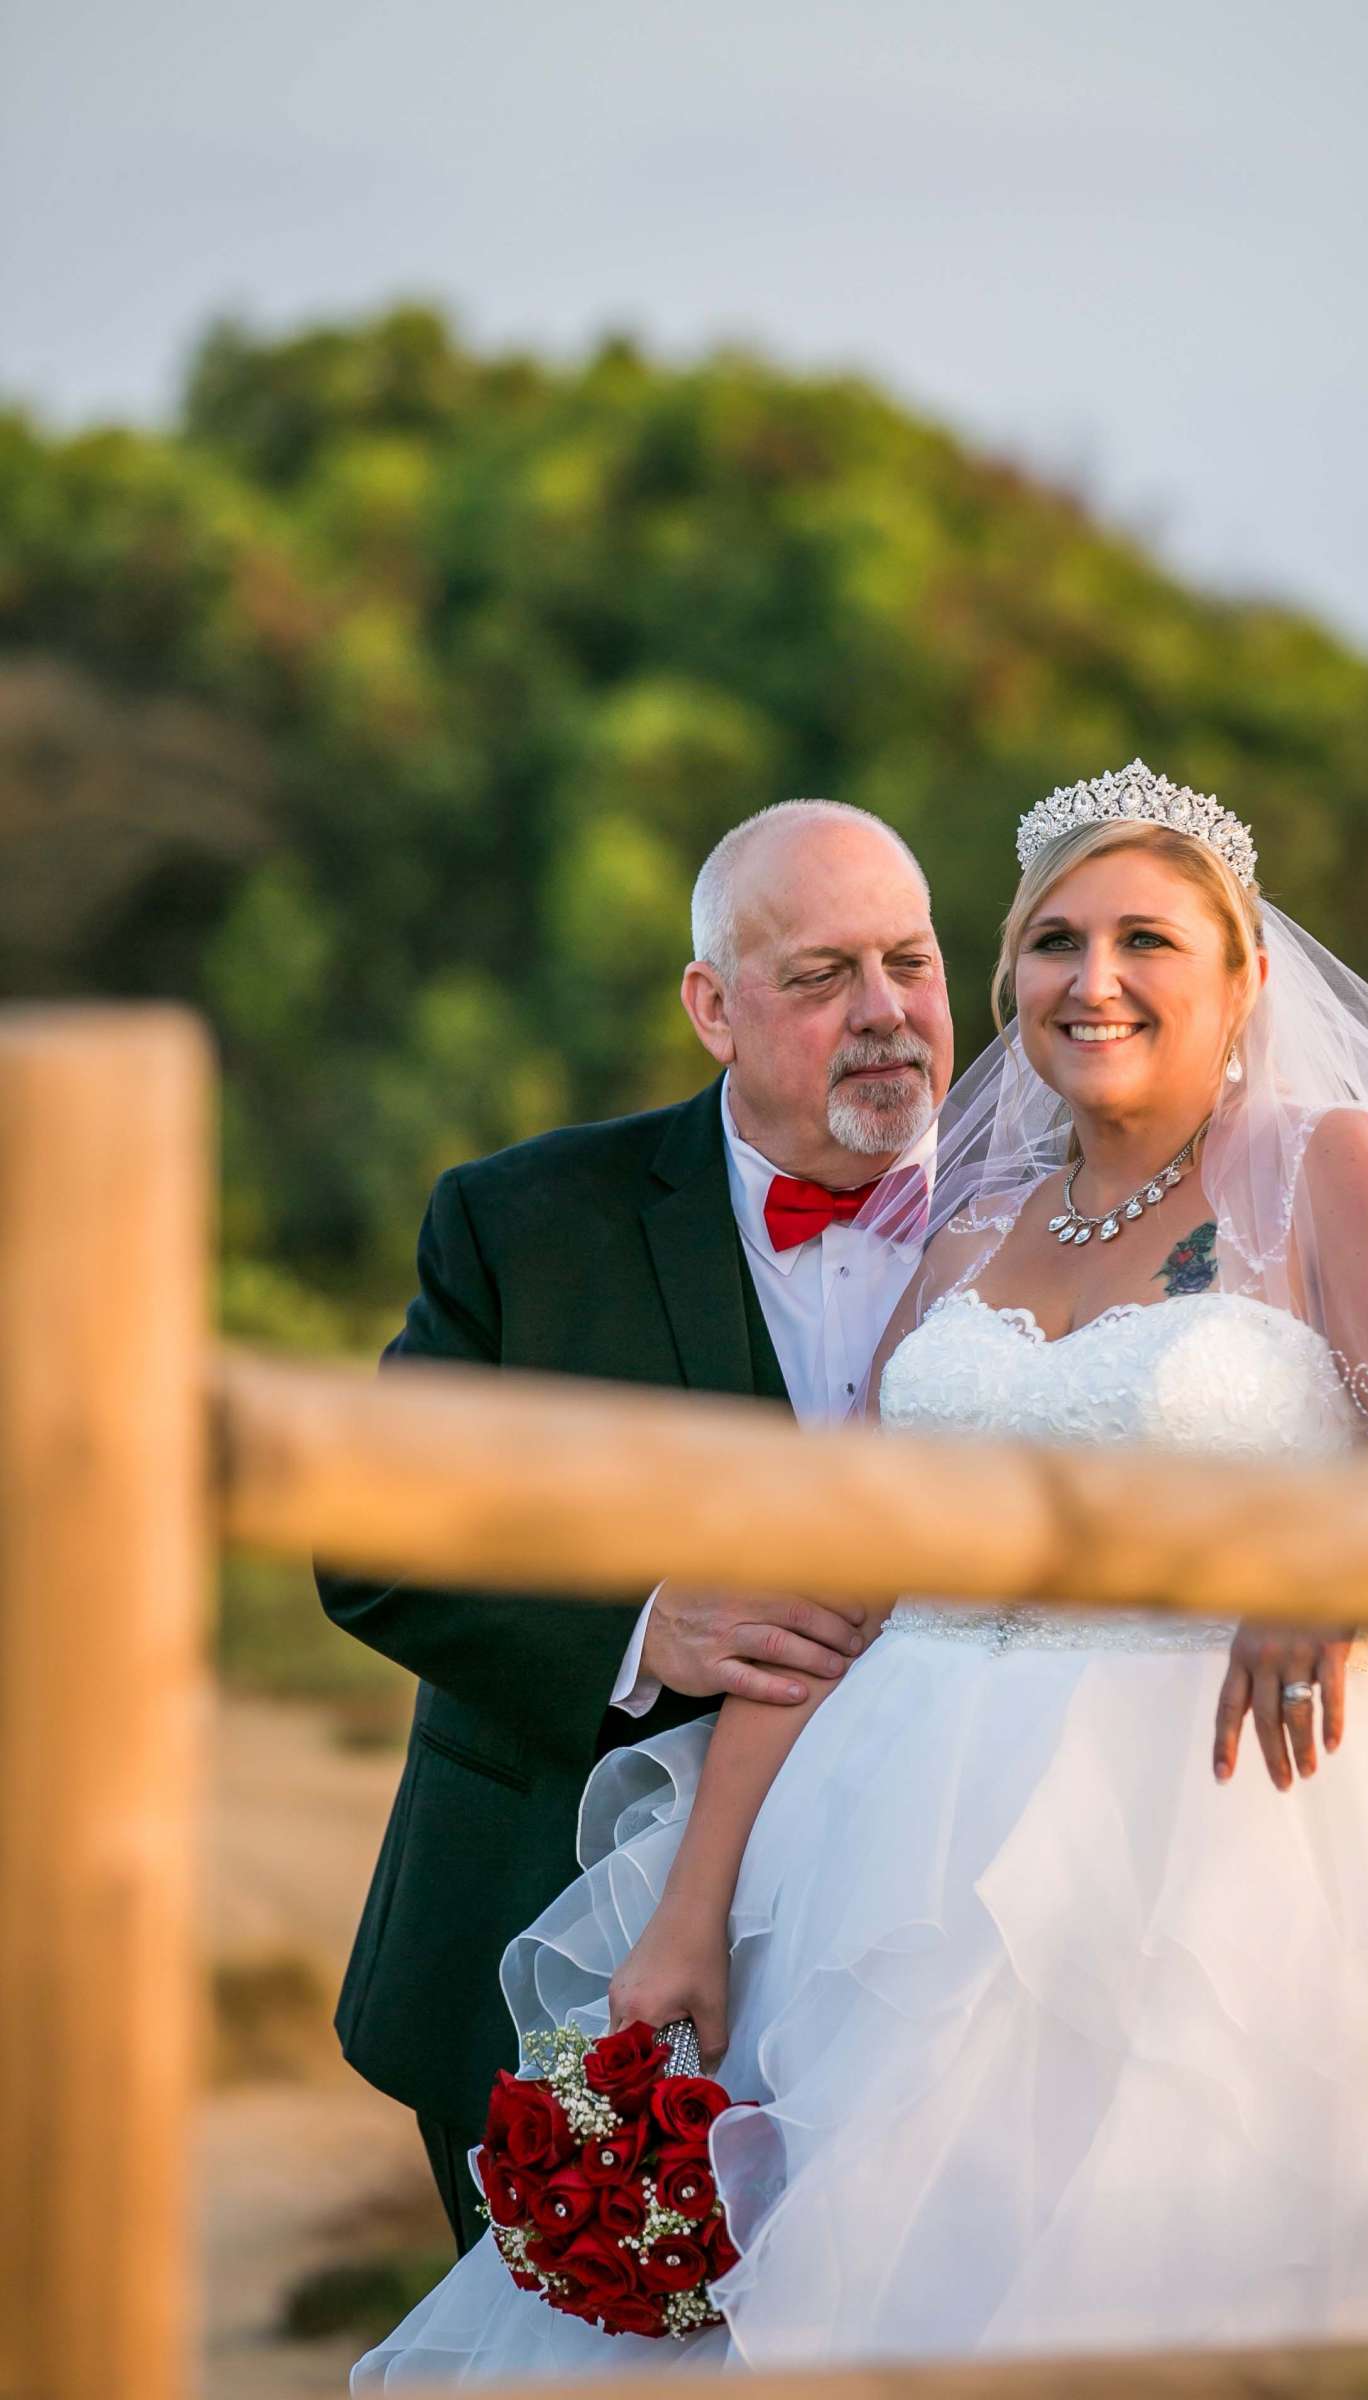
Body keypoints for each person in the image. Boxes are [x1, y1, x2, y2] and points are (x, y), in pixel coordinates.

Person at [352, 764, 1368, 2383]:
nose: (1094, 977)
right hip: (882, 1881)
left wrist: (1350, 1556)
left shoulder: (1327, 1166)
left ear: (1248, 976)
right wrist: (698, 1906)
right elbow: (840, 1589)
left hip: (1215, 1849)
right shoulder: (972, 1239)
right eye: (1054, 942)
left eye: (1149, 938)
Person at [317, 798, 954, 2253]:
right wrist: (642, 1624)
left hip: (928, 1953)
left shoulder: (1051, 1213)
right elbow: (368, 1534)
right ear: (711, 1008)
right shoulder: (524, 1222)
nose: (884, 1015)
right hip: (549, 1933)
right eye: (820, 976)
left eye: (910, 964)